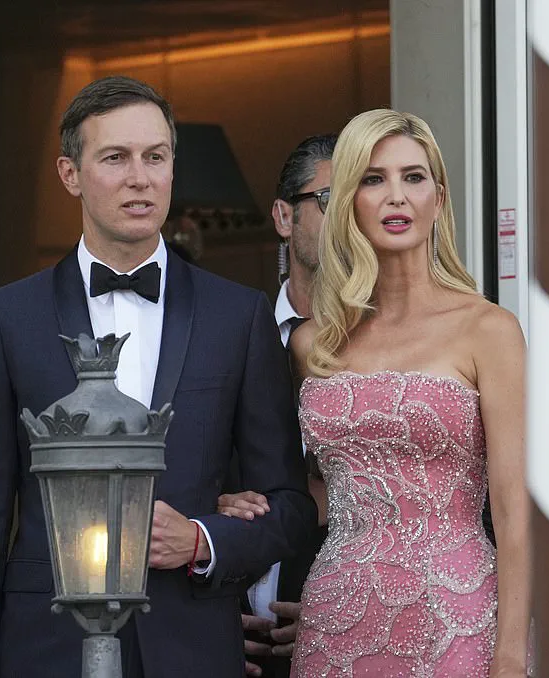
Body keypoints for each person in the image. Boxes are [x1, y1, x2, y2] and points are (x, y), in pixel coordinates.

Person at [0, 75, 317, 678]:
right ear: (70, 174)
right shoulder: (7, 318)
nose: (140, 178)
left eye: (155, 157)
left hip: (193, 646)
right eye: (116, 157)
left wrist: (204, 540)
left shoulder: (238, 315)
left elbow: (290, 507)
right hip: (46, 648)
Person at [287, 109, 532, 675]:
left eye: (413, 177)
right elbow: (313, 487)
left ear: (438, 198)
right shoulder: (312, 343)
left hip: (456, 615)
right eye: (373, 179)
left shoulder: (488, 330)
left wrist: (512, 656)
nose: (396, 195)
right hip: (334, 619)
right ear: (348, 201)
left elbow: (514, 509)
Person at [219, 134, 336, 678]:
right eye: (331, 200)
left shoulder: (406, 358)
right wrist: (211, 617)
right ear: (284, 217)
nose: (352, 218)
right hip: (228, 641)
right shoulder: (224, 338)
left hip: (354, 636)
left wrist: (347, 607)